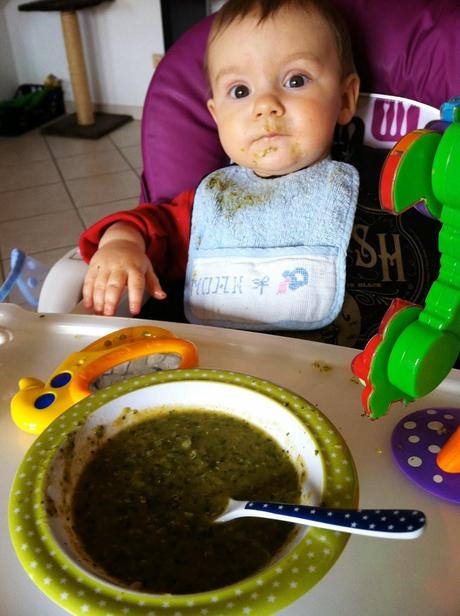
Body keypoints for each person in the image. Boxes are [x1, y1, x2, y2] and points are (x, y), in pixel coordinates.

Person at [80, 0, 360, 331]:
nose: (265, 106)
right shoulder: (213, 203)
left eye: (296, 80)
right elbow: (150, 225)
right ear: (216, 115)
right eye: (240, 90)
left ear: (344, 99)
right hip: (217, 370)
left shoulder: (380, 190)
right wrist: (122, 244)